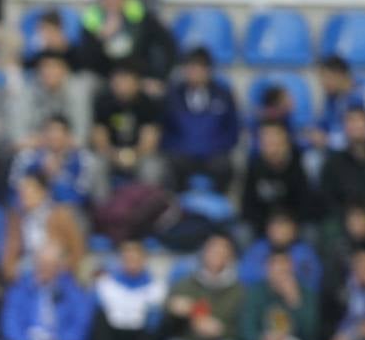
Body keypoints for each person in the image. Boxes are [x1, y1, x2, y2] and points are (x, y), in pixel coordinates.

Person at [162, 47, 239, 193]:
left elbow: (232, 130)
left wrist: (215, 146)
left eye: (200, 67)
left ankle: (218, 210)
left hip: (214, 154)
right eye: (191, 67)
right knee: (170, 165)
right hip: (182, 154)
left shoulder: (223, 95)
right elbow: (165, 130)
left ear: (208, 70)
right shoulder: (173, 96)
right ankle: (177, 208)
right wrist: (180, 146)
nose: (195, 72)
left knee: (225, 166)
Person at [162, 232, 245, 340]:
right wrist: (172, 307)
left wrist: (221, 330)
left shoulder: (238, 290)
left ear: (230, 256)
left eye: (222, 251)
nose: (216, 255)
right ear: (204, 252)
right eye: (213, 250)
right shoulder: (185, 283)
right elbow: (167, 313)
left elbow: (244, 326)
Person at [0, 241, 93, 340]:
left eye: (50, 265)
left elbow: (80, 327)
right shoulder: (19, 291)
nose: (44, 269)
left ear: (59, 267)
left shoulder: (73, 293)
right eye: (41, 264)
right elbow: (11, 326)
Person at [91, 59, 166, 187]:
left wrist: (131, 156)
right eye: (117, 79)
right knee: (95, 164)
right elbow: (99, 137)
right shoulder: (103, 102)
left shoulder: (148, 104)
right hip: (111, 154)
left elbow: (149, 141)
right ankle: (103, 205)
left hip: (140, 154)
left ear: (137, 82)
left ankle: (146, 205)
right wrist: (115, 155)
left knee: (152, 167)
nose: (120, 84)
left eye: (126, 79)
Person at [318, 106, 365, 220]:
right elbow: (327, 199)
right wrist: (350, 221)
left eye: (359, 121)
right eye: (350, 121)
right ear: (344, 127)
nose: (355, 126)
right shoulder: (333, 162)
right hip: (342, 223)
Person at [241, 121, 311, 240]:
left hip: (292, 225)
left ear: (285, 141)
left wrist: (288, 225)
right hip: (263, 227)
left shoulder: (298, 166)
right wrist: (269, 227)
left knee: (310, 232)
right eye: (266, 141)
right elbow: (248, 206)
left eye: (275, 140)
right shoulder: (254, 168)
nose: (271, 146)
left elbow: (305, 205)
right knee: (243, 233)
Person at [92, 238, 166, 340]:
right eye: (128, 259)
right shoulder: (105, 284)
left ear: (144, 260)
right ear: (121, 260)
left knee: (157, 319)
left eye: (136, 259)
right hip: (114, 334)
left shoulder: (157, 286)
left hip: (141, 337)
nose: (132, 263)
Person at [241, 251, 317, 340]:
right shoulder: (256, 293)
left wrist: (294, 301)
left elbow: (310, 332)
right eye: (277, 271)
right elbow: (247, 327)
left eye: (284, 272)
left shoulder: (305, 293)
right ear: (267, 270)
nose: (280, 277)